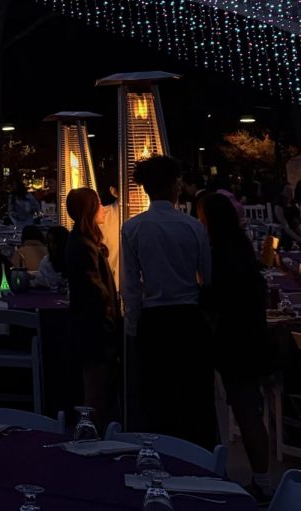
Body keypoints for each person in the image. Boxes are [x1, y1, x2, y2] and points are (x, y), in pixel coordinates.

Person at [120, 155, 216, 447]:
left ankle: (159, 454)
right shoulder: (192, 227)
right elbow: (207, 276)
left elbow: (130, 285)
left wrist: (133, 325)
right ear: (174, 185)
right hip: (188, 317)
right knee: (194, 396)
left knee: (156, 396)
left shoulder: (133, 228)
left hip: (154, 319)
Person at [198, 192, 273, 502]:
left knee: (244, 409)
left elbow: (216, 300)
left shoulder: (220, 258)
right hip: (252, 336)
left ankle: (263, 482)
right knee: (248, 409)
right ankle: (263, 478)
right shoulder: (241, 251)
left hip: (234, 342)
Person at [65, 188, 120, 428]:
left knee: (98, 388)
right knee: (96, 389)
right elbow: (96, 290)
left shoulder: (82, 241)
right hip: (94, 328)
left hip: (91, 325)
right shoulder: (83, 245)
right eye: (98, 204)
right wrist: (110, 320)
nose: (103, 209)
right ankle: (91, 434)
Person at [34, 225, 69, 290]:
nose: (51, 246)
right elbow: (40, 281)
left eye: (55, 242)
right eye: (49, 242)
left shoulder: (73, 261)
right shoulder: (46, 261)